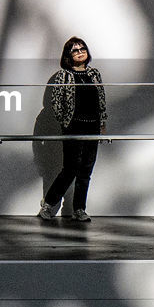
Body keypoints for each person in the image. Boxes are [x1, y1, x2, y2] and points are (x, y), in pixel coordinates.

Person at [38, 36, 107, 222]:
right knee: (70, 169)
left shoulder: (94, 74)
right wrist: (65, 122)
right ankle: (48, 204)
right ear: (68, 55)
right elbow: (55, 102)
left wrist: (102, 123)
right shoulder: (64, 75)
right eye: (75, 50)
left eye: (82, 48)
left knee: (86, 171)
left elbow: (101, 99)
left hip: (92, 127)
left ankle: (79, 209)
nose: (79, 52)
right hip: (73, 128)